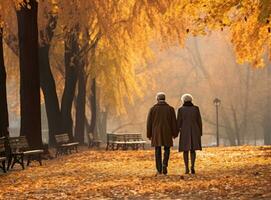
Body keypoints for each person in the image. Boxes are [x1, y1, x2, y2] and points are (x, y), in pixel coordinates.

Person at [147, 92, 178, 175]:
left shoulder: (153, 109)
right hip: (167, 132)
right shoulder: (170, 109)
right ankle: (165, 164)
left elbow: (149, 123)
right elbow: (173, 122)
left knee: (157, 150)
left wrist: (149, 134)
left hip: (156, 132)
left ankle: (159, 169)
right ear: (165, 99)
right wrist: (175, 133)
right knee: (167, 149)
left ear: (157, 99)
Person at [177, 94, 202, 174]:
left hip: (184, 131)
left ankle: (186, 168)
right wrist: (200, 132)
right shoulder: (196, 109)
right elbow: (199, 121)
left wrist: (176, 132)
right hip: (195, 131)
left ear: (183, 100)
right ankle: (192, 166)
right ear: (191, 100)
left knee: (185, 150)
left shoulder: (181, 110)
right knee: (193, 150)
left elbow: (178, 123)